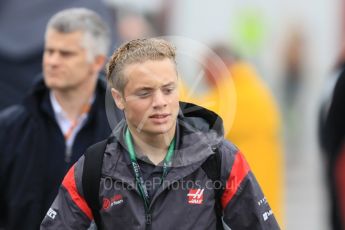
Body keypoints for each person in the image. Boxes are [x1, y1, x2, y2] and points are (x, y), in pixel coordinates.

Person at [41, 38, 279, 229]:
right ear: (119, 98)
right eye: (144, 93)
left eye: (168, 90)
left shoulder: (220, 158)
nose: (160, 102)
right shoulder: (94, 167)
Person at [0, 8, 122, 229]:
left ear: (97, 62)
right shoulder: (9, 128)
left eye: (66, 54)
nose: (52, 61)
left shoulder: (123, 132)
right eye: (49, 51)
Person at [180, 44, 284, 226]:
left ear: (220, 65)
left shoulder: (241, 93)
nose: (204, 77)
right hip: (250, 190)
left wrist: (173, 87)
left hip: (248, 192)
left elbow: (197, 117)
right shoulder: (249, 86)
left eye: (206, 70)